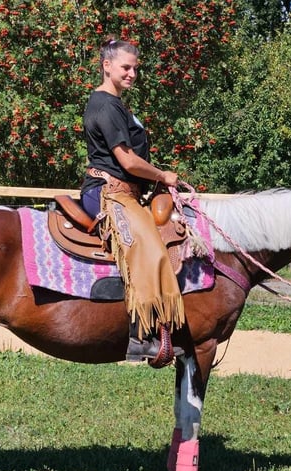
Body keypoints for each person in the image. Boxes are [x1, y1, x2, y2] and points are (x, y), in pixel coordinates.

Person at [80, 36, 184, 367]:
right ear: (106, 66)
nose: (132, 73)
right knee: (147, 244)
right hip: (109, 192)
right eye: (126, 67)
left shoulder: (118, 105)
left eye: (136, 68)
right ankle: (140, 336)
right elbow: (127, 161)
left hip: (125, 192)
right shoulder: (106, 105)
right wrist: (163, 176)